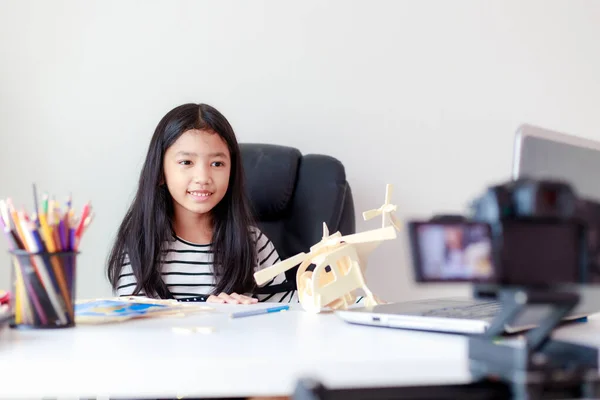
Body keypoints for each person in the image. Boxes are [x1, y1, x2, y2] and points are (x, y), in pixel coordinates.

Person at [106, 103, 296, 304]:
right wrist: (206, 311)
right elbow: (135, 324)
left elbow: (284, 315)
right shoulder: (139, 244)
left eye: (217, 164)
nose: (203, 177)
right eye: (186, 162)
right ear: (160, 172)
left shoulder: (254, 243)